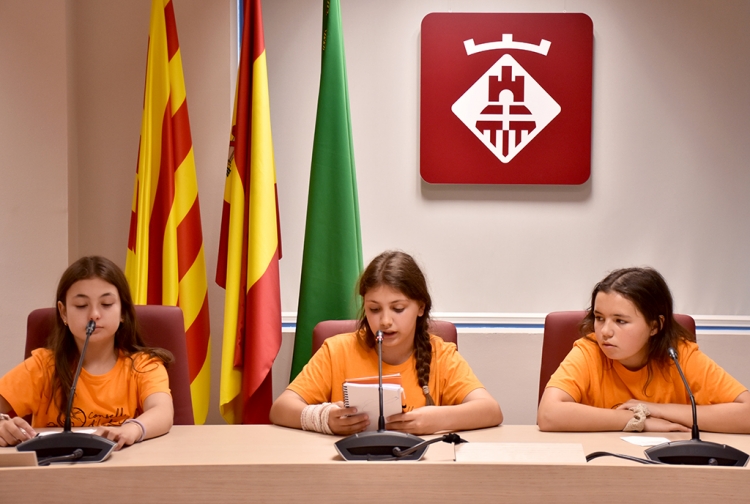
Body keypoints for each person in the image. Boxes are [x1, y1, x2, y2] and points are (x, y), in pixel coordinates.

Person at [270, 250, 503, 435]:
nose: (385, 321)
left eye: (398, 308)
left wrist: (434, 419)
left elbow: (491, 411)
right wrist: (324, 419)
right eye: (374, 309)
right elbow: (280, 409)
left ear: (421, 307)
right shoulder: (337, 350)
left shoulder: (441, 355)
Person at [538, 267, 750, 433]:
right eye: (599, 318)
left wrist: (656, 409)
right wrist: (638, 420)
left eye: (620, 321)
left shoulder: (679, 355)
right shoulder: (590, 350)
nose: (605, 331)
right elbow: (548, 414)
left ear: (655, 326)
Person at [0, 256, 174, 449]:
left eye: (106, 304)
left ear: (123, 312)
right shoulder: (42, 366)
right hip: (54, 465)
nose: (94, 315)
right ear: (63, 312)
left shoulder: (144, 365)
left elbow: (162, 411)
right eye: (81, 306)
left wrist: (132, 429)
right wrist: (2, 423)